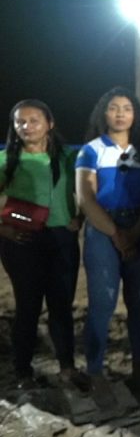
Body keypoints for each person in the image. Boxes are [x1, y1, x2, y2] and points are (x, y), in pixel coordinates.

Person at [76, 87, 140, 392]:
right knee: (103, 302)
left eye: (127, 108)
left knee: (139, 304)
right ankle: (95, 371)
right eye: (114, 108)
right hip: (103, 228)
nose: (120, 113)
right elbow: (86, 198)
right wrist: (116, 235)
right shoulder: (91, 150)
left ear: (136, 115)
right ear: (104, 113)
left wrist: (134, 233)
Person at [0, 100, 88, 391]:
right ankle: (23, 371)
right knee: (28, 307)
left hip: (62, 239)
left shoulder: (69, 157)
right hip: (21, 242)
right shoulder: (6, 160)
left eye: (34, 120)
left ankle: (67, 367)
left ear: (50, 123)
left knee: (61, 306)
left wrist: (81, 217)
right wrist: (4, 228)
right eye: (20, 122)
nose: (27, 127)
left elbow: (89, 189)